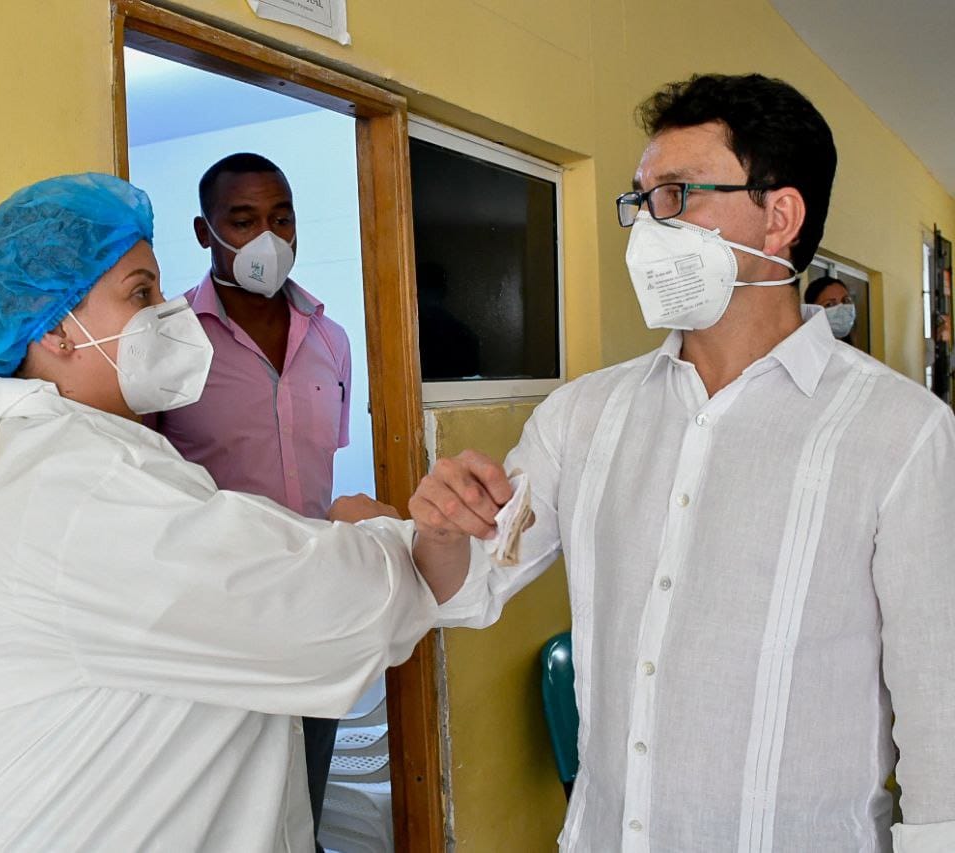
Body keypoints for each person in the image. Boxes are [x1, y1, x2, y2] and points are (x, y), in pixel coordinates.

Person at [410, 74, 955, 851]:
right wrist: (441, 526)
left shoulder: (901, 434)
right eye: (639, 200)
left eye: (676, 194)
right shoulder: (583, 416)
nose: (645, 227)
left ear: (779, 218)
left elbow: (941, 705)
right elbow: (472, 585)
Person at [0, 173, 442, 851]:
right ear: (54, 327)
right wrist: (376, 536)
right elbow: (316, 614)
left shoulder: (88, 458)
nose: (166, 311)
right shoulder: (84, 486)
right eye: (140, 292)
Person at [155, 153, 350, 843]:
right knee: (232, 815)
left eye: (281, 218)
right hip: (217, 620)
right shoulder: (166, 342)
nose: (268, 237)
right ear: (206, 233)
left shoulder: (332, 339)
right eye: (243, 220)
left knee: (309, 801)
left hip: (316, 610)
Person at [805, 274, 857, 345]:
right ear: (813, 312)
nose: (841, 308)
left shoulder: (851, 352)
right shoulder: (806, 352)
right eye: (830, 304)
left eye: (845, 301)